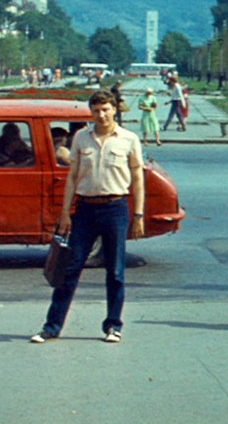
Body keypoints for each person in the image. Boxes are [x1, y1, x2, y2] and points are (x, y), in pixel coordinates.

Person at [31, 90, 145, 344]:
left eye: (106, 109)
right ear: (91, 112)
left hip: (115, 208)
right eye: (96, 111)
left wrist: (138, 214)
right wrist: (64, 213)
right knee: (69, 269)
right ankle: (52, 326)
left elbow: (137, 178)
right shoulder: (81, 137)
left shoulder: (128, 139)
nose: (101, 115)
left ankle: (113, 326)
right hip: (84, 209)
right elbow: (72, 177)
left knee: (115, 271)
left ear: (115, 109)